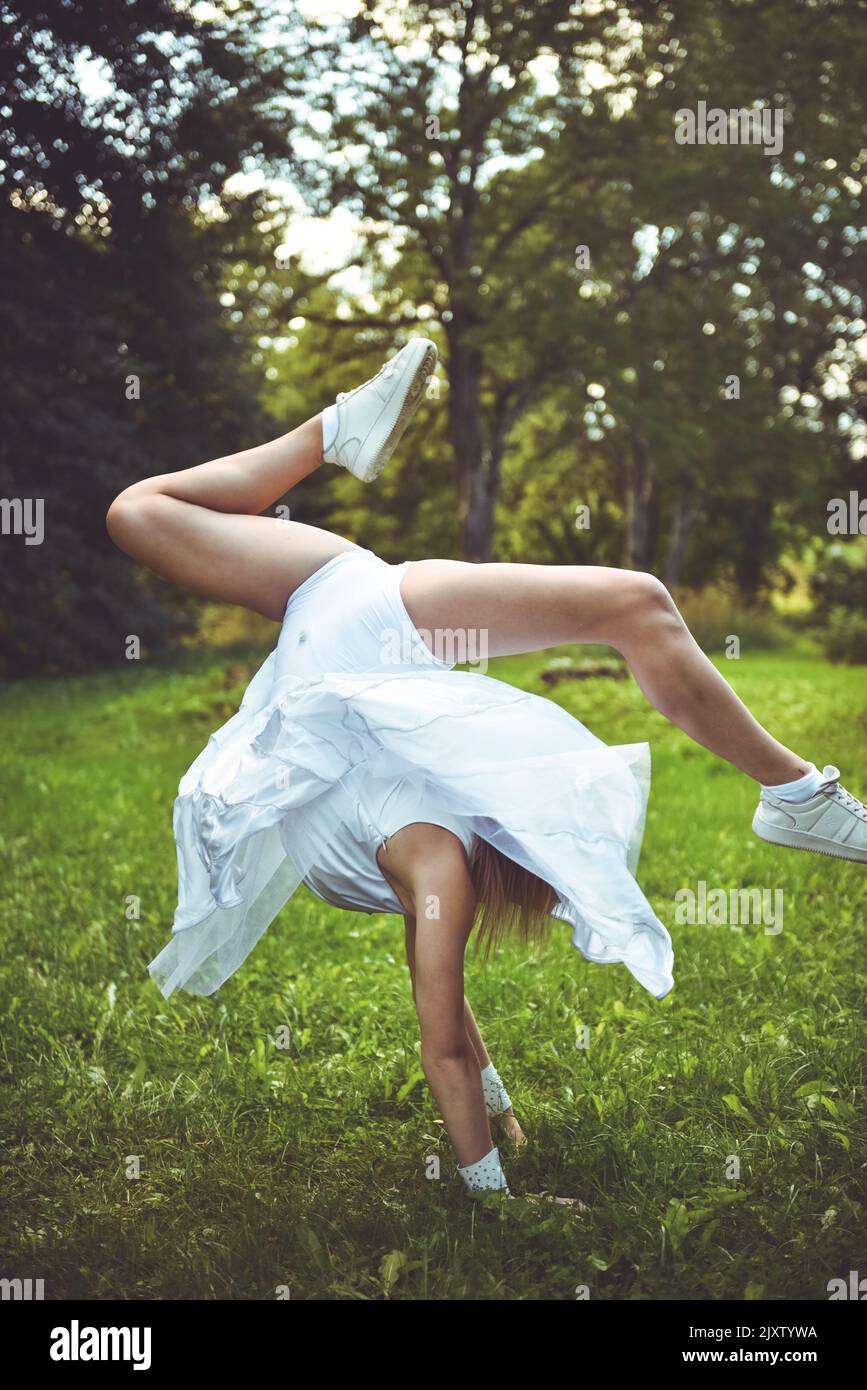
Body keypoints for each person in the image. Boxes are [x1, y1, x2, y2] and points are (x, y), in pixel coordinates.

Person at [106, 337, 867, 1199]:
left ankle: (796, 793)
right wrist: (497, 1102)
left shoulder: (439, 862)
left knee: (635, 601)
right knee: (137, 512)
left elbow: (440, 1040)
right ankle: (795, 795)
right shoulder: (433, 860)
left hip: (342, 653)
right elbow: (446, 1014)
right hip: (329, 658)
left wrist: (492, 1197)